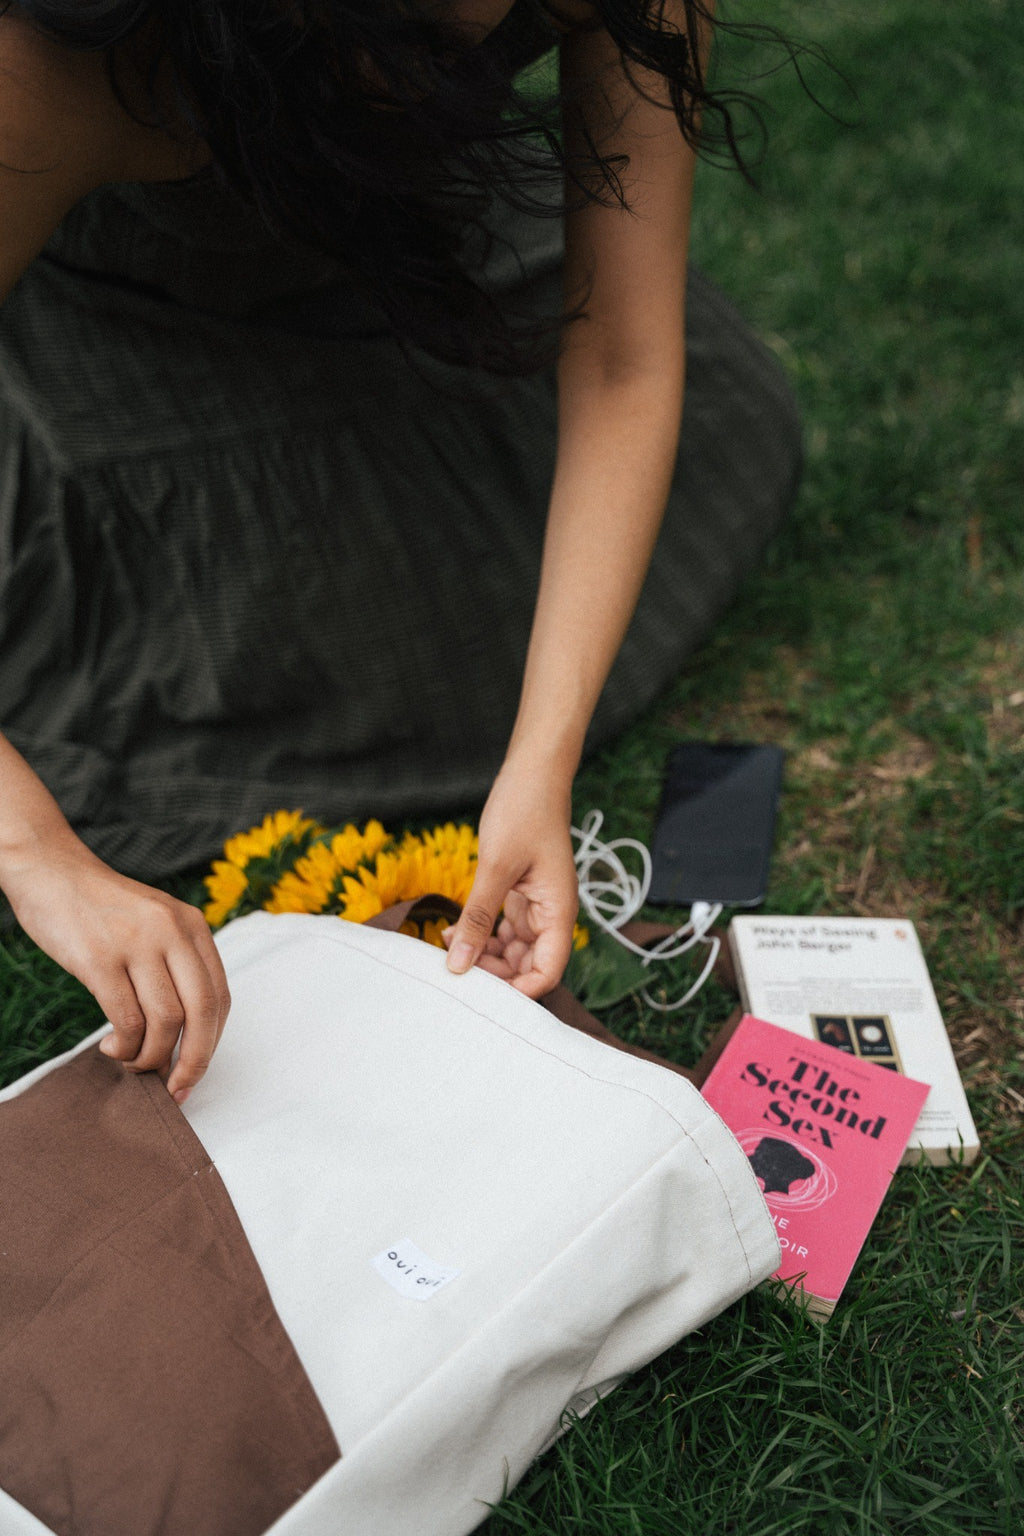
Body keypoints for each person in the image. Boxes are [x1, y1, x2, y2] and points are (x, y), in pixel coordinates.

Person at [0, 2, 800, 1104]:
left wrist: (542, 758)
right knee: (258, 651)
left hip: (406, 258)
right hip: (116, 335)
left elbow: (622, 356)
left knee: (720, 433)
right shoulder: (50, 53)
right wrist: (36, 854)